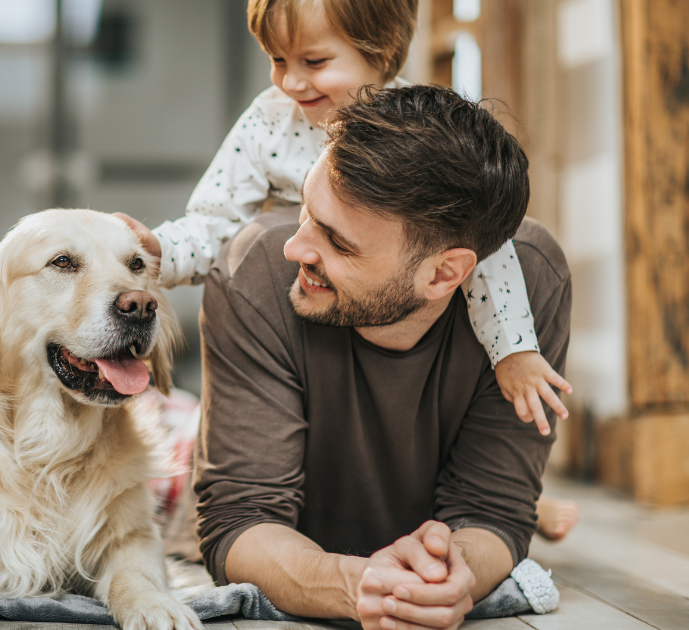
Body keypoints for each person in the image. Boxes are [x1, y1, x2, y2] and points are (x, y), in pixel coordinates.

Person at [194, 84, 571, 629]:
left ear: (445, 273)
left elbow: (493, 511)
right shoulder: (253, 272)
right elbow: (239, 518)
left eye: (338, 242)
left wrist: (452, 576)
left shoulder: (531, 284)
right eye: (304, 208)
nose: (295, 248)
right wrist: (356, 585)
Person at [116, 0, 572, 435]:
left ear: (384, 49)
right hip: (309, 327)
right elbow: (215, 218)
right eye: (278, 60)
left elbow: (484, 251)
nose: (291, 83)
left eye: (314, 62)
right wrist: (163, 250)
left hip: (397, 331)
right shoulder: (269, 122)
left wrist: (513, 349)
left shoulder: (419, 135)